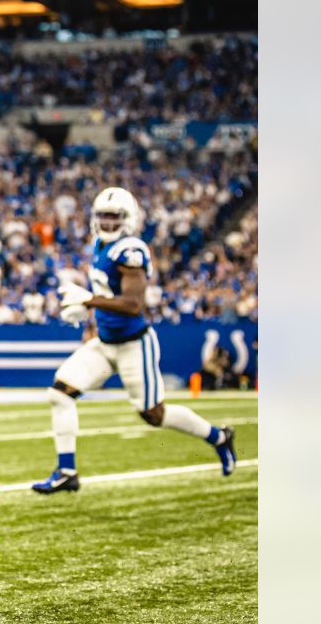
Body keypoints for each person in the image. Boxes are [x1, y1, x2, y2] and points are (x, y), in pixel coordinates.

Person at [32, 188, 236, 494]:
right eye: (103, 216)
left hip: (133, 345)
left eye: (114, 217)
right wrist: (87, 311)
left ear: (128, 220)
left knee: (155, 415)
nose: (107, 223)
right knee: (60, 393)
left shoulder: (131, 251)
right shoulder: (99, 244)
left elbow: (132, 304)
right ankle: (66, 471)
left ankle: (219, 437)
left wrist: (89, 300)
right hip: (104, 342)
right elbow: (106, 297)